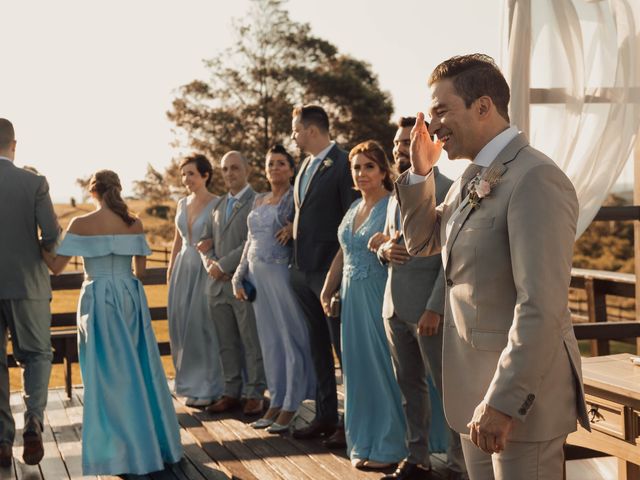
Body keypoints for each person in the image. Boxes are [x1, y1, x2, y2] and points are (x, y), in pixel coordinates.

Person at [397, 54, 590, 480]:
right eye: (431, 115)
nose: (434, 126)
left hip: (519, 403)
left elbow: (542, 304)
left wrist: (503, 401)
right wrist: (419, 171)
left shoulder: (535, 177)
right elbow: (423, 242)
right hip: (473, 394)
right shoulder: (472, 176)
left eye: (442, 111)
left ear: (483, 107)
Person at [41, 170, 182, 475]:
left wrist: (40, 241)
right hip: (130, 296)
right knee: (139, 367)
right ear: (117, 190)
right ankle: (151, 443)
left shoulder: (80, 224)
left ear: (93, 192)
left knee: (107, 374)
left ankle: (119, 450)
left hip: (99, 299)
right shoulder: (135, 222)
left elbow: (55, 267)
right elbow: (141, 272)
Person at [368, 117, 466, 480]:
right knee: (410, 389)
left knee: (448, 391)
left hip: (428, 310)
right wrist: (383, 252)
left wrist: (435, 307)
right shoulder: (398, 191)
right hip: (393, 306)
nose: (400, 148)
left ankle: (459, 466)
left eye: (408, 141)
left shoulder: (448, 188)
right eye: (397, 142)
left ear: (428, 146)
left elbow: (451, 256)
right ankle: (418, 457)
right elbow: (393, 243)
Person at [321, 141, 407, 470]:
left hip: (378, 295)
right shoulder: (353, 208)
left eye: (369, 166)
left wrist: (387, 243)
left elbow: (403, 243)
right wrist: (327, 290)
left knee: (383, 370)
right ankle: (364, 441)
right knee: (356, 372)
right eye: (356, 167)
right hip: (350, 299)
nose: (361, 173)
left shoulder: (393, 205)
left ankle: (391, 447)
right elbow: (344, 251)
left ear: (384, 171)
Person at [231, 144, 315, 433]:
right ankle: (276, 401)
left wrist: (294, 227)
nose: (275, 168)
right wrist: (238, 275)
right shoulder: (259, 200)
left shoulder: (295, 198)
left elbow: (308, 226)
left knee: (290, 337)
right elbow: (249, 241)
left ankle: (292, 404)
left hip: (281, 273)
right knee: (269, 342)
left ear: (291, 169)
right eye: (270, 164)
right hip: (256, 276)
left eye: (281, 163)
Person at [287, 105, 357, 448]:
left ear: (311, 130)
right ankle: (325, 416)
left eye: (296, 130)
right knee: (316, 349)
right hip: (301, 271)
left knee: (342, 350)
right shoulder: (304, 166)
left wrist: (336, 274)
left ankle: (351, 422)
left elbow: (350, 218)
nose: (293, 136)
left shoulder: (344, 164)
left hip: (330, 271)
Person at [0, 118, 60, 467]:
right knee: (36, 355)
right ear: (14, 145)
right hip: (28, 284)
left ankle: (1, 441)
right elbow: (51, 233)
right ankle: (33, 421)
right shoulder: (34, 182)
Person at [199, 151, 266, 416]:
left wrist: (223, 265)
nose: (229, 174)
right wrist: (210, 265)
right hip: (216, 286)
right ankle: (231, 391)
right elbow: (203, 242)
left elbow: (250, 241)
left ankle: (255, 392)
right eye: (225, 169)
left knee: (251, 340)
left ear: (247, 169)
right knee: (225, 342)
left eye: (235, 168)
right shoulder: (216, 206)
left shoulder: (256, 201)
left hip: (243, 282)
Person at [167, 154, 224, 407]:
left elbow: (222, 236)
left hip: (205, 267)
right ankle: (189, 384)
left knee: (203, 324)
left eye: (191, 173)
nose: (186, 179)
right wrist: (170, 271)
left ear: (205, 175)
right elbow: (177, 241)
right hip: (183, 267)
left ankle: (212, 387)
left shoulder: (217, 203)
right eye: (183, 174)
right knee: (181, 327)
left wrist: (213, 244)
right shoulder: (181, 203)